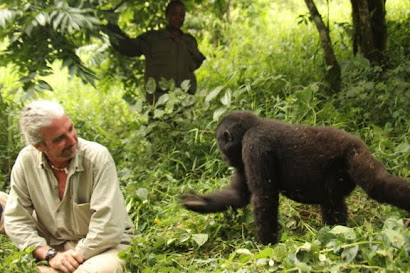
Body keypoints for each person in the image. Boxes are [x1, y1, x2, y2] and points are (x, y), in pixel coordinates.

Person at [0, 100, 134, 273]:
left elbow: (108, 227)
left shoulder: (97, 157)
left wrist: (72, 257)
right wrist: (49, 253)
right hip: (52, 239)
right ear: (39, 146)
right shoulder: (26, 160)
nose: (72, 140)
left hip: (103, 245)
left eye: (70, 129)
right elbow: (16, 219)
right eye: (59, 138)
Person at [107, 0, 206, 104]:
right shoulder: (153, 39)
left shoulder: (189, 41)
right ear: (166, 15)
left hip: (185, 100)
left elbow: (196, 61)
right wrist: (112, 25)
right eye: (174, 14)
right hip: (159, 101)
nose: (178, 18)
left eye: (181, 15)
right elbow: (128, 47)